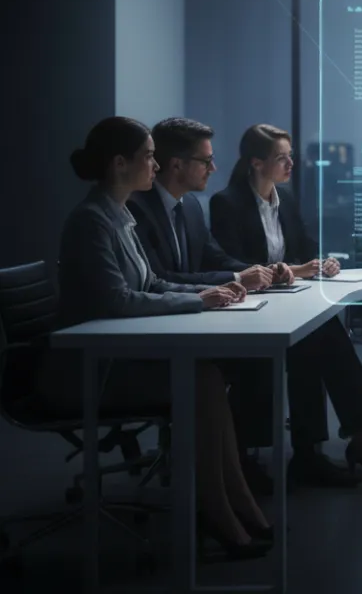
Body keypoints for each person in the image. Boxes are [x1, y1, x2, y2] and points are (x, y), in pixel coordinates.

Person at [35, 116, 272, 560]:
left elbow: (152, 283)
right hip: (88, 372)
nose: (155, 165)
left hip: (114, 357)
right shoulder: (92, 221)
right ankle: (216, 507)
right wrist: (197, 302)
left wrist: (204, 293)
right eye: (148, 157)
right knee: (200, 381)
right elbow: (120, 300)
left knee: (206, 373)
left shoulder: (118, 213)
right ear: (120, 163)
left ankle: (233, 500)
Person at [210, 124, 362, 484]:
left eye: (291, 156)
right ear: (256, 163)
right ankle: (347, 431)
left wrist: (322, 262)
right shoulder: (227, 203)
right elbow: (230, 264)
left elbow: (303, 247)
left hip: (284, 307)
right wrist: (291, 270)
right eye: (281, 158)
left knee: (316, 338)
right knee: (319, 339)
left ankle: (336, 445)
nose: (290, 164)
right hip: (246, 314)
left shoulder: (286, 200)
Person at [126, 117, 303, 493]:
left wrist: (256, 272)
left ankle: (238, 466)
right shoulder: (138, 211)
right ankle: (235, 468)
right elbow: (158, 279)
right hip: (152, 334)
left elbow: (214, 257)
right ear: (177, 165)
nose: (214, 168)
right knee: (250, 357)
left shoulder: (188, 206)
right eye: (205, 161)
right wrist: (238, 280)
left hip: (184, 319)